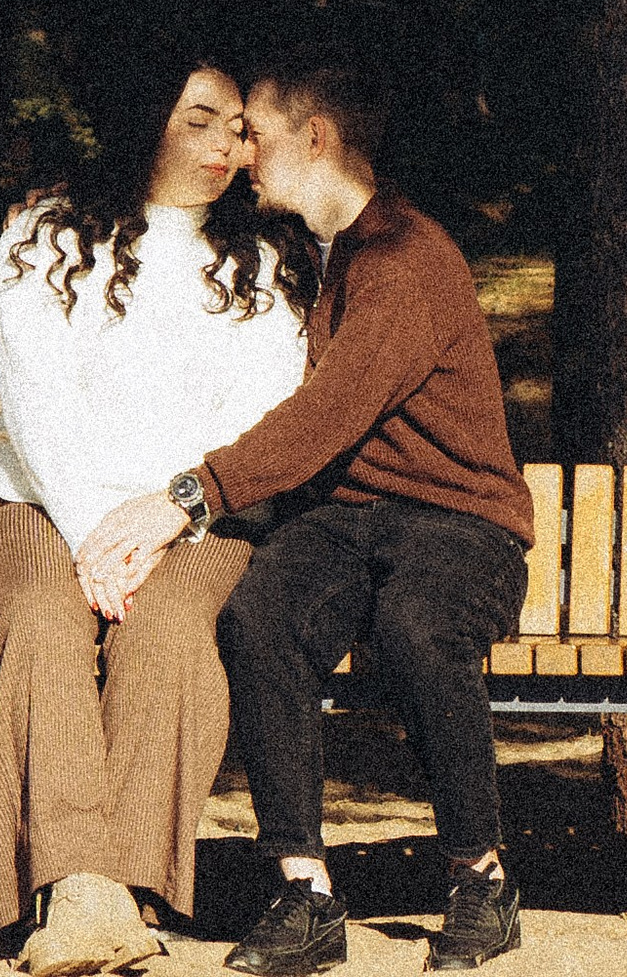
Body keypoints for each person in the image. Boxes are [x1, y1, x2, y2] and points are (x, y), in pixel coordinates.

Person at [74, 53, 533, 977]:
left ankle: (480, 878)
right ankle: (303, 890)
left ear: (316, 138)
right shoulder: (322, 255)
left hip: (460, 522)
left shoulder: (408, 255)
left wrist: (187, 497)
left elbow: (328, 414)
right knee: (259, 619)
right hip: (348, 520)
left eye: (261, 136)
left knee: (417, 627)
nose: (245, 156)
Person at [0, 46, 313, 977]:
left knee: (167, 635)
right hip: (37, 506)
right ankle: (81, 891)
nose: (223, 145)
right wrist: (95, 541)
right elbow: (39, 407)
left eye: (239, 130)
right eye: (198, 119)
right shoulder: (44, 236)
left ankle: (114, 893)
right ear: (139, 119)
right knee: (41, 621)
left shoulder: (267, 259)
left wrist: (165, 518)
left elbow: (265, 417)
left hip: (195, 521)